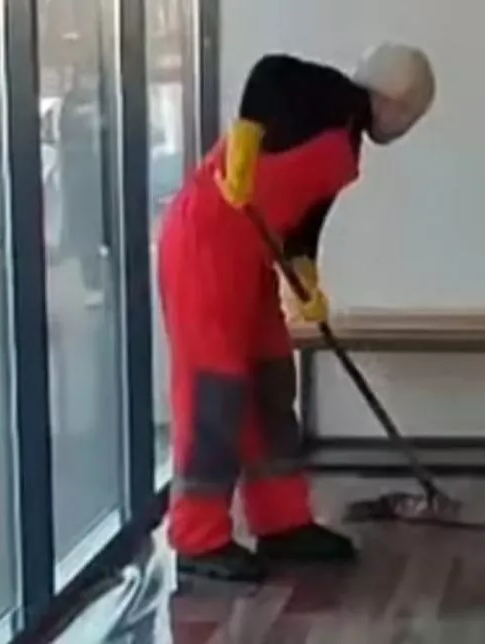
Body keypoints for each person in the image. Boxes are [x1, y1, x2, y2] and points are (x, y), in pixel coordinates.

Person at [157, 43, 435, 582]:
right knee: (215, 392)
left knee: (271, 382)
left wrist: (306, 275)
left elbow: (305, 221)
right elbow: (269, 72)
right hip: (203, 245)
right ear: (397, 101)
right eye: (410, 116)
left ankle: (283, 521)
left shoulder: (347, 143)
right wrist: (245, 138)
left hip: (252, 258)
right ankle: (198, 538)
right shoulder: (329, 96)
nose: (404, 128)